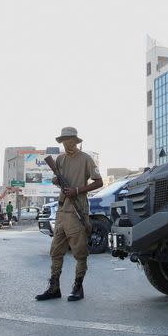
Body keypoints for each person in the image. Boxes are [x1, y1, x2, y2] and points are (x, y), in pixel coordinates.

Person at [35, 127, 103, 302]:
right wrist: (56, 181)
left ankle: (78, 287)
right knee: (56, 251)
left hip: (77, 210)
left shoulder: (86, 159)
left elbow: (99, 182)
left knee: (80, 252)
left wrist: (78, 190)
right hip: (62, 210)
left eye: (69, 140)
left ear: (75, 141)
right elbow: (59, 182)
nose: (66, 143)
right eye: (63, 140)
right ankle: (54, 287)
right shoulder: (60, 159)